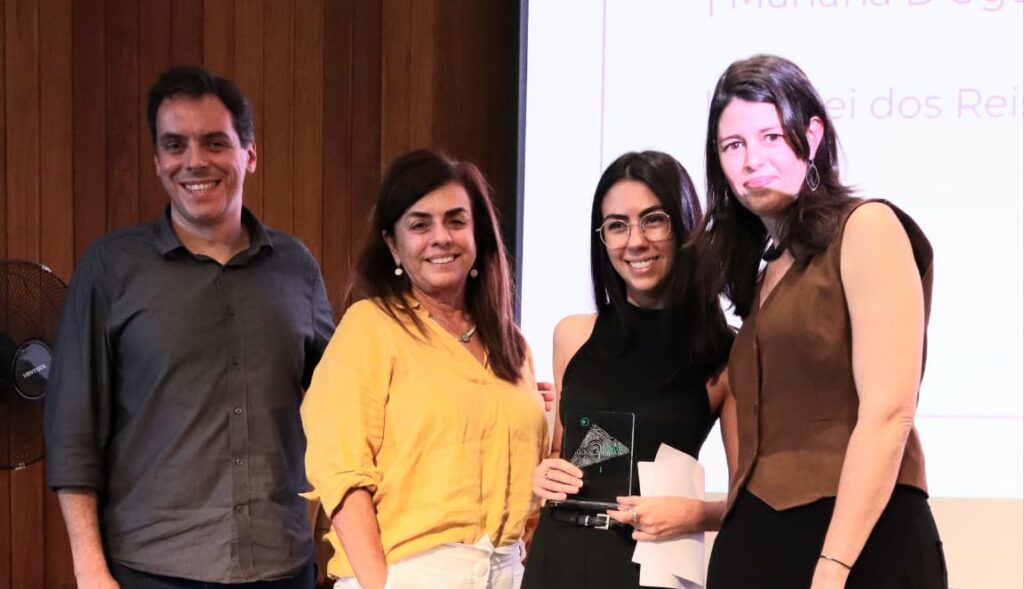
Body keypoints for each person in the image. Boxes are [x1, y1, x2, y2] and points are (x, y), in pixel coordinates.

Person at [44, 66, 334, 588]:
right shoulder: (110, 269)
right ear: (158, 162)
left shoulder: (296, 267)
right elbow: (73, 428)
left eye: (214, 142)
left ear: (249, 154)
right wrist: (89, 568)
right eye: (175, 145)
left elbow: (342, 407)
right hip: (151, 570)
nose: (194, 160)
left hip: (281, 566)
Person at [698, 55, 947, 589]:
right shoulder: (764, 271)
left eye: (769, 136)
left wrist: (833, 569)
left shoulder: (868, 226)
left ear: (810, 135)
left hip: (861, 544)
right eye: (732, 146)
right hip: (760, 543)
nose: (751, 161)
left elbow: (889, 413)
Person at [301, 149, 548, 589]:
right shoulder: (369, 329)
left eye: (456, 221)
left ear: (479, 235)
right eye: (420, 224)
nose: (441, 237)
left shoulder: (514, 346)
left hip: (507, 573)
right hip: (407, 575)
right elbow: (342, 473)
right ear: (393, 244)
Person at [523, 151, 735, 589]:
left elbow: (754, 495)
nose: (634, 241)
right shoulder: (574, 335)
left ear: (683, 226)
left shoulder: (723, 352)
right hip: (558, 558)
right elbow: (564, 452)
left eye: (653, 220)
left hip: (651, 566)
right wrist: (543, 472)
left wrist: (697, 513)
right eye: (617, 225)